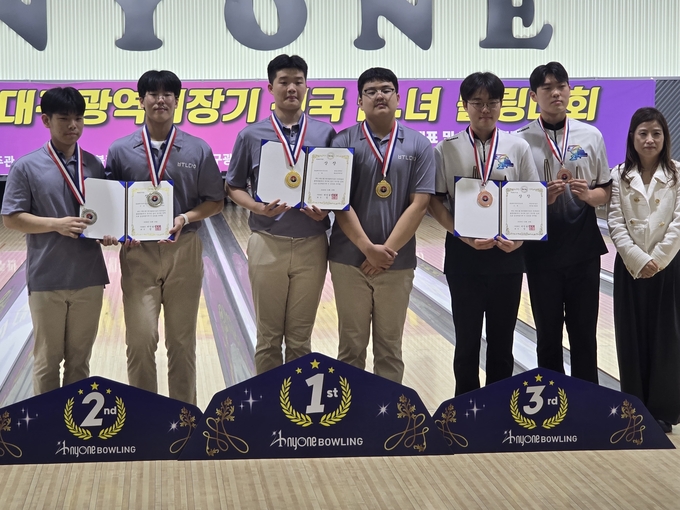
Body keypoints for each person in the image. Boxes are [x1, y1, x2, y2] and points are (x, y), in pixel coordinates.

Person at [106, 70, 224, 405]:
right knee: (140, 340)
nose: (160, 100)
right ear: (141, 100)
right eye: (153, 94)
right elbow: (109, 203)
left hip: (183, 249)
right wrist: (120, 230)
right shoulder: (120, 150)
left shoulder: (198, 149)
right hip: (138, 254)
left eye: (167, 94)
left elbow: (215, 201)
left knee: (182, 342)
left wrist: (185, 217)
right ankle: (147, 416)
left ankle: (183, 417)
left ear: (176, 100)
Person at [429, 72, 539, 395]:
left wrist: (519, 240)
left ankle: (499, 408)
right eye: (477, 102)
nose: (485, 109)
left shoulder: (517, 147)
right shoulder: (446, 148)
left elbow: (532, 198)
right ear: (465, 106)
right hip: (464, 257)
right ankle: (465, 408)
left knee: (502, 341)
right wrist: (460, 234)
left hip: (507, 256)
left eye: (492, 102)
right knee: (466, 342)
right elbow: (435, 201)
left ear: (501, 105)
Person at [226, 54, 335, 374]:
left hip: (312, 244)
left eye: (298, 82)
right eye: (284, 82)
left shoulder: (325, 133)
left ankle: (296, 403)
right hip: (267, 241)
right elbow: (233, 186)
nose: (291, 88)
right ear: (270, 88)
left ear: (306, 87)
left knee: (300, 340)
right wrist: (257, 207)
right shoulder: (250, 134)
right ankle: (268, 402)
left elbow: (336, 185)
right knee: (268, 338)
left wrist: (326, 209)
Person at [1, 87, 112, 394]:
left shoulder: (94, 165)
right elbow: (12, 218)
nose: (72, 125)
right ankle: (46, 424)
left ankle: (71, 421)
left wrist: (110, 232)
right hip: (47, 277)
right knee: (47, 361)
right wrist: (56, 224)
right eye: (64, 118)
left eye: (79, 118)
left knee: (80, 363)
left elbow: (103, 216)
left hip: (89, 277)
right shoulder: (26, 166)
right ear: (46, 120)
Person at [329, 67, 435, 384]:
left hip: (396, 262)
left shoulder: (419, 145)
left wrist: (384, 252)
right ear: (359, 100)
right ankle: (350, 412)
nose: (379, 95)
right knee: (351, 347)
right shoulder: (342, 142)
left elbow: (420, 204)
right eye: (371, 91)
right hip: (349, 260)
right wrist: (367, 249)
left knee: (390, 348)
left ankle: (386, 414)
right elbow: (338, 201)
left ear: (398, 97)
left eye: (386, 89)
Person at [515, 62, 611, 383]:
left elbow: (605, 189)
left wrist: (589, 196)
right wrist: (541, 199)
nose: (556, 93)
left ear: (570, 90)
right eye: (547, 88)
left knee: (584, 335)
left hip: (583, 252)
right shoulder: (520, 141)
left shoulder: (591, 135)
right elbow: (513, 201)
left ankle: (588, 401)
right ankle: (552, 401)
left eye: (561, 86)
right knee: (547, 336)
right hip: (541, 254)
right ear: (533, 96)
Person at [608, 107, 680, 433]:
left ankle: (663, 410)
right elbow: (615, 222)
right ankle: (634, 408)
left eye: (656, 134)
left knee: (667, 338)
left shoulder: (677, 173)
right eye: (643, 133)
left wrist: (658, 259)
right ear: (632, 138)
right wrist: (638, 259)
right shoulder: (619, 175)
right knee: (631, 337)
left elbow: (678, 223)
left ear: (665, 138)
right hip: (630, 266)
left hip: (669, 265)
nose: (650, 140)